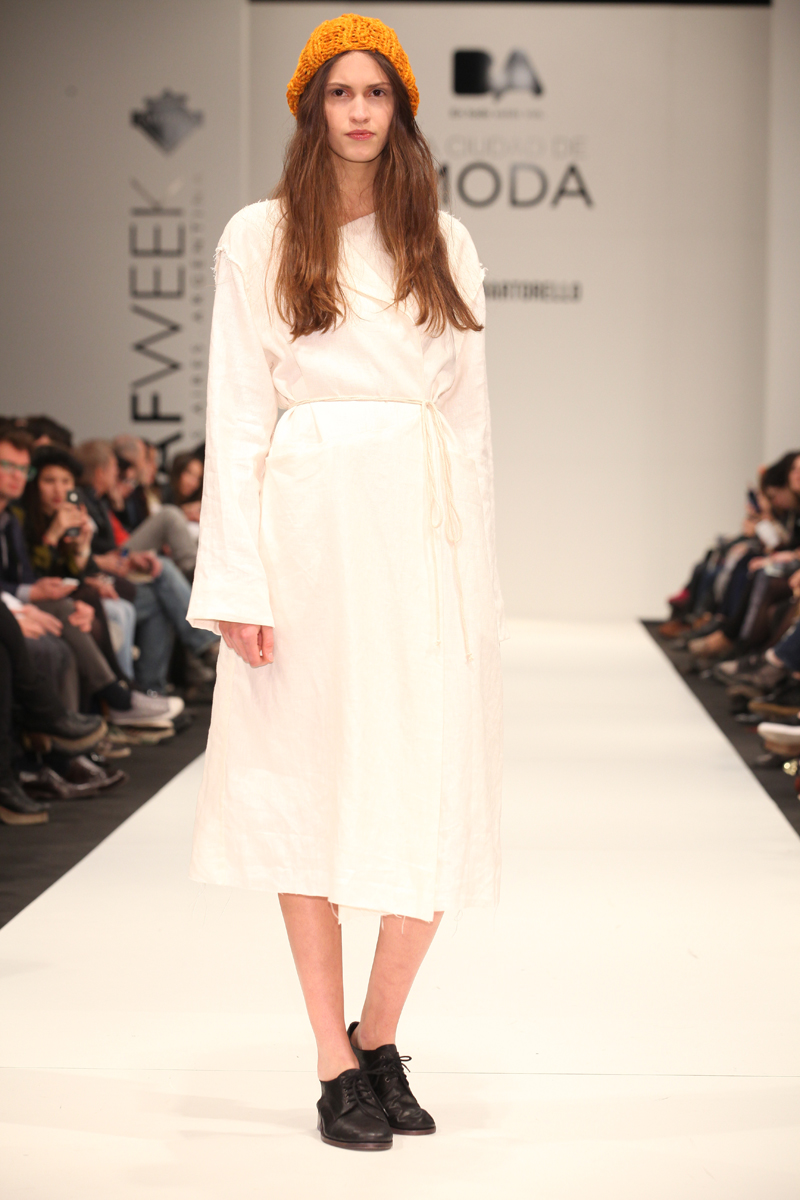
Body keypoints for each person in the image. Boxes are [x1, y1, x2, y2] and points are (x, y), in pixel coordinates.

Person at [186, 14, 506, 1152]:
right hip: (310, 531)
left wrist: (477, 582)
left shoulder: (444, 241)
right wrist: (238, 580)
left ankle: (379, 1036)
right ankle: (333, 1062)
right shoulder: (261, 234)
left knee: (432, 791)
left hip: (422, 542)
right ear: (311, 107)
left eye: (376, 92)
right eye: (339, 92)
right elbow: (237, 412)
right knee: (305, 787)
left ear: (401, 107)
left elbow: (469, 425)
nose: (359, 111)